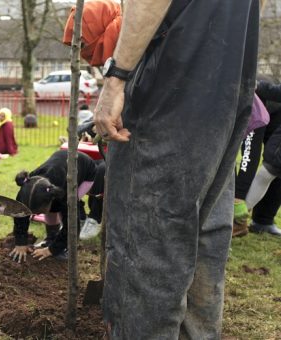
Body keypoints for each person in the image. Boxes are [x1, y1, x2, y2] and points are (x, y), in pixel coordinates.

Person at [93, 0, 259, 338]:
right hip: (228, 78)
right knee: (204, 232)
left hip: (171, 80)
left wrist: (117, 77)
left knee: (148, 240)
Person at [9, 150, 105, 263]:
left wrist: (52, 250)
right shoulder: (26, 189)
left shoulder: (64, 194)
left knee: (67, 207)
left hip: (86, 170)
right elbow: (20, 215)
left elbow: (72, 225)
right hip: (59, 168)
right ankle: (51, 237)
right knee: (52, 209)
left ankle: (64, 247)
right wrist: (20, 242)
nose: (37, 215)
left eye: (39, 212)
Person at [233, 79, 281, 237]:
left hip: (263, 106)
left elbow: (249, 158)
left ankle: (254, 220)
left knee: (272, 167)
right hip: (262, 101)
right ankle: (240, 217)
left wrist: (238, 198)